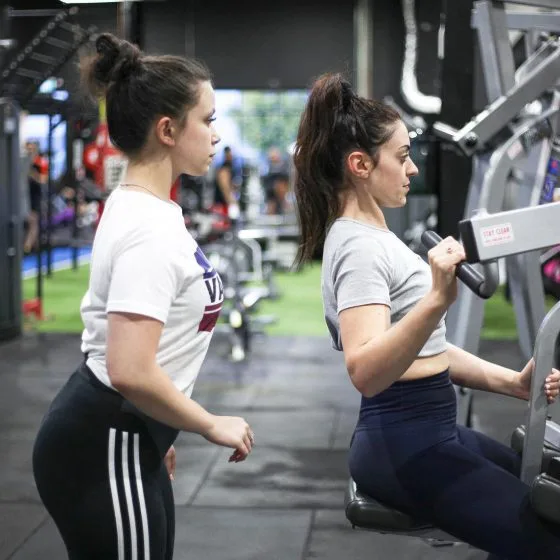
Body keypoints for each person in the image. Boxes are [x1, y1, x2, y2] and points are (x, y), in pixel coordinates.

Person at [293, 73, 560, 559]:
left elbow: (425, 347)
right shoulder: (358, 248)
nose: (412, 168)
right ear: (360, 164)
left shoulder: (373, 237)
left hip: (430, 431)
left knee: (538, 498)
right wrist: (437, 298)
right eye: (401, 157)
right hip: (403, 445)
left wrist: (512, 384)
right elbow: (367, 371)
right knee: (545, 537)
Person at [32, 33, 255, 560]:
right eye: (208, 119)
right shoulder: (147, 228)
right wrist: (207, 422)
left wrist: (165, 430)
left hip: (133, 434)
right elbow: (129, 369)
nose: (217, 135)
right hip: (108, 435)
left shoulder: (149, 210)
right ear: (168, 130)